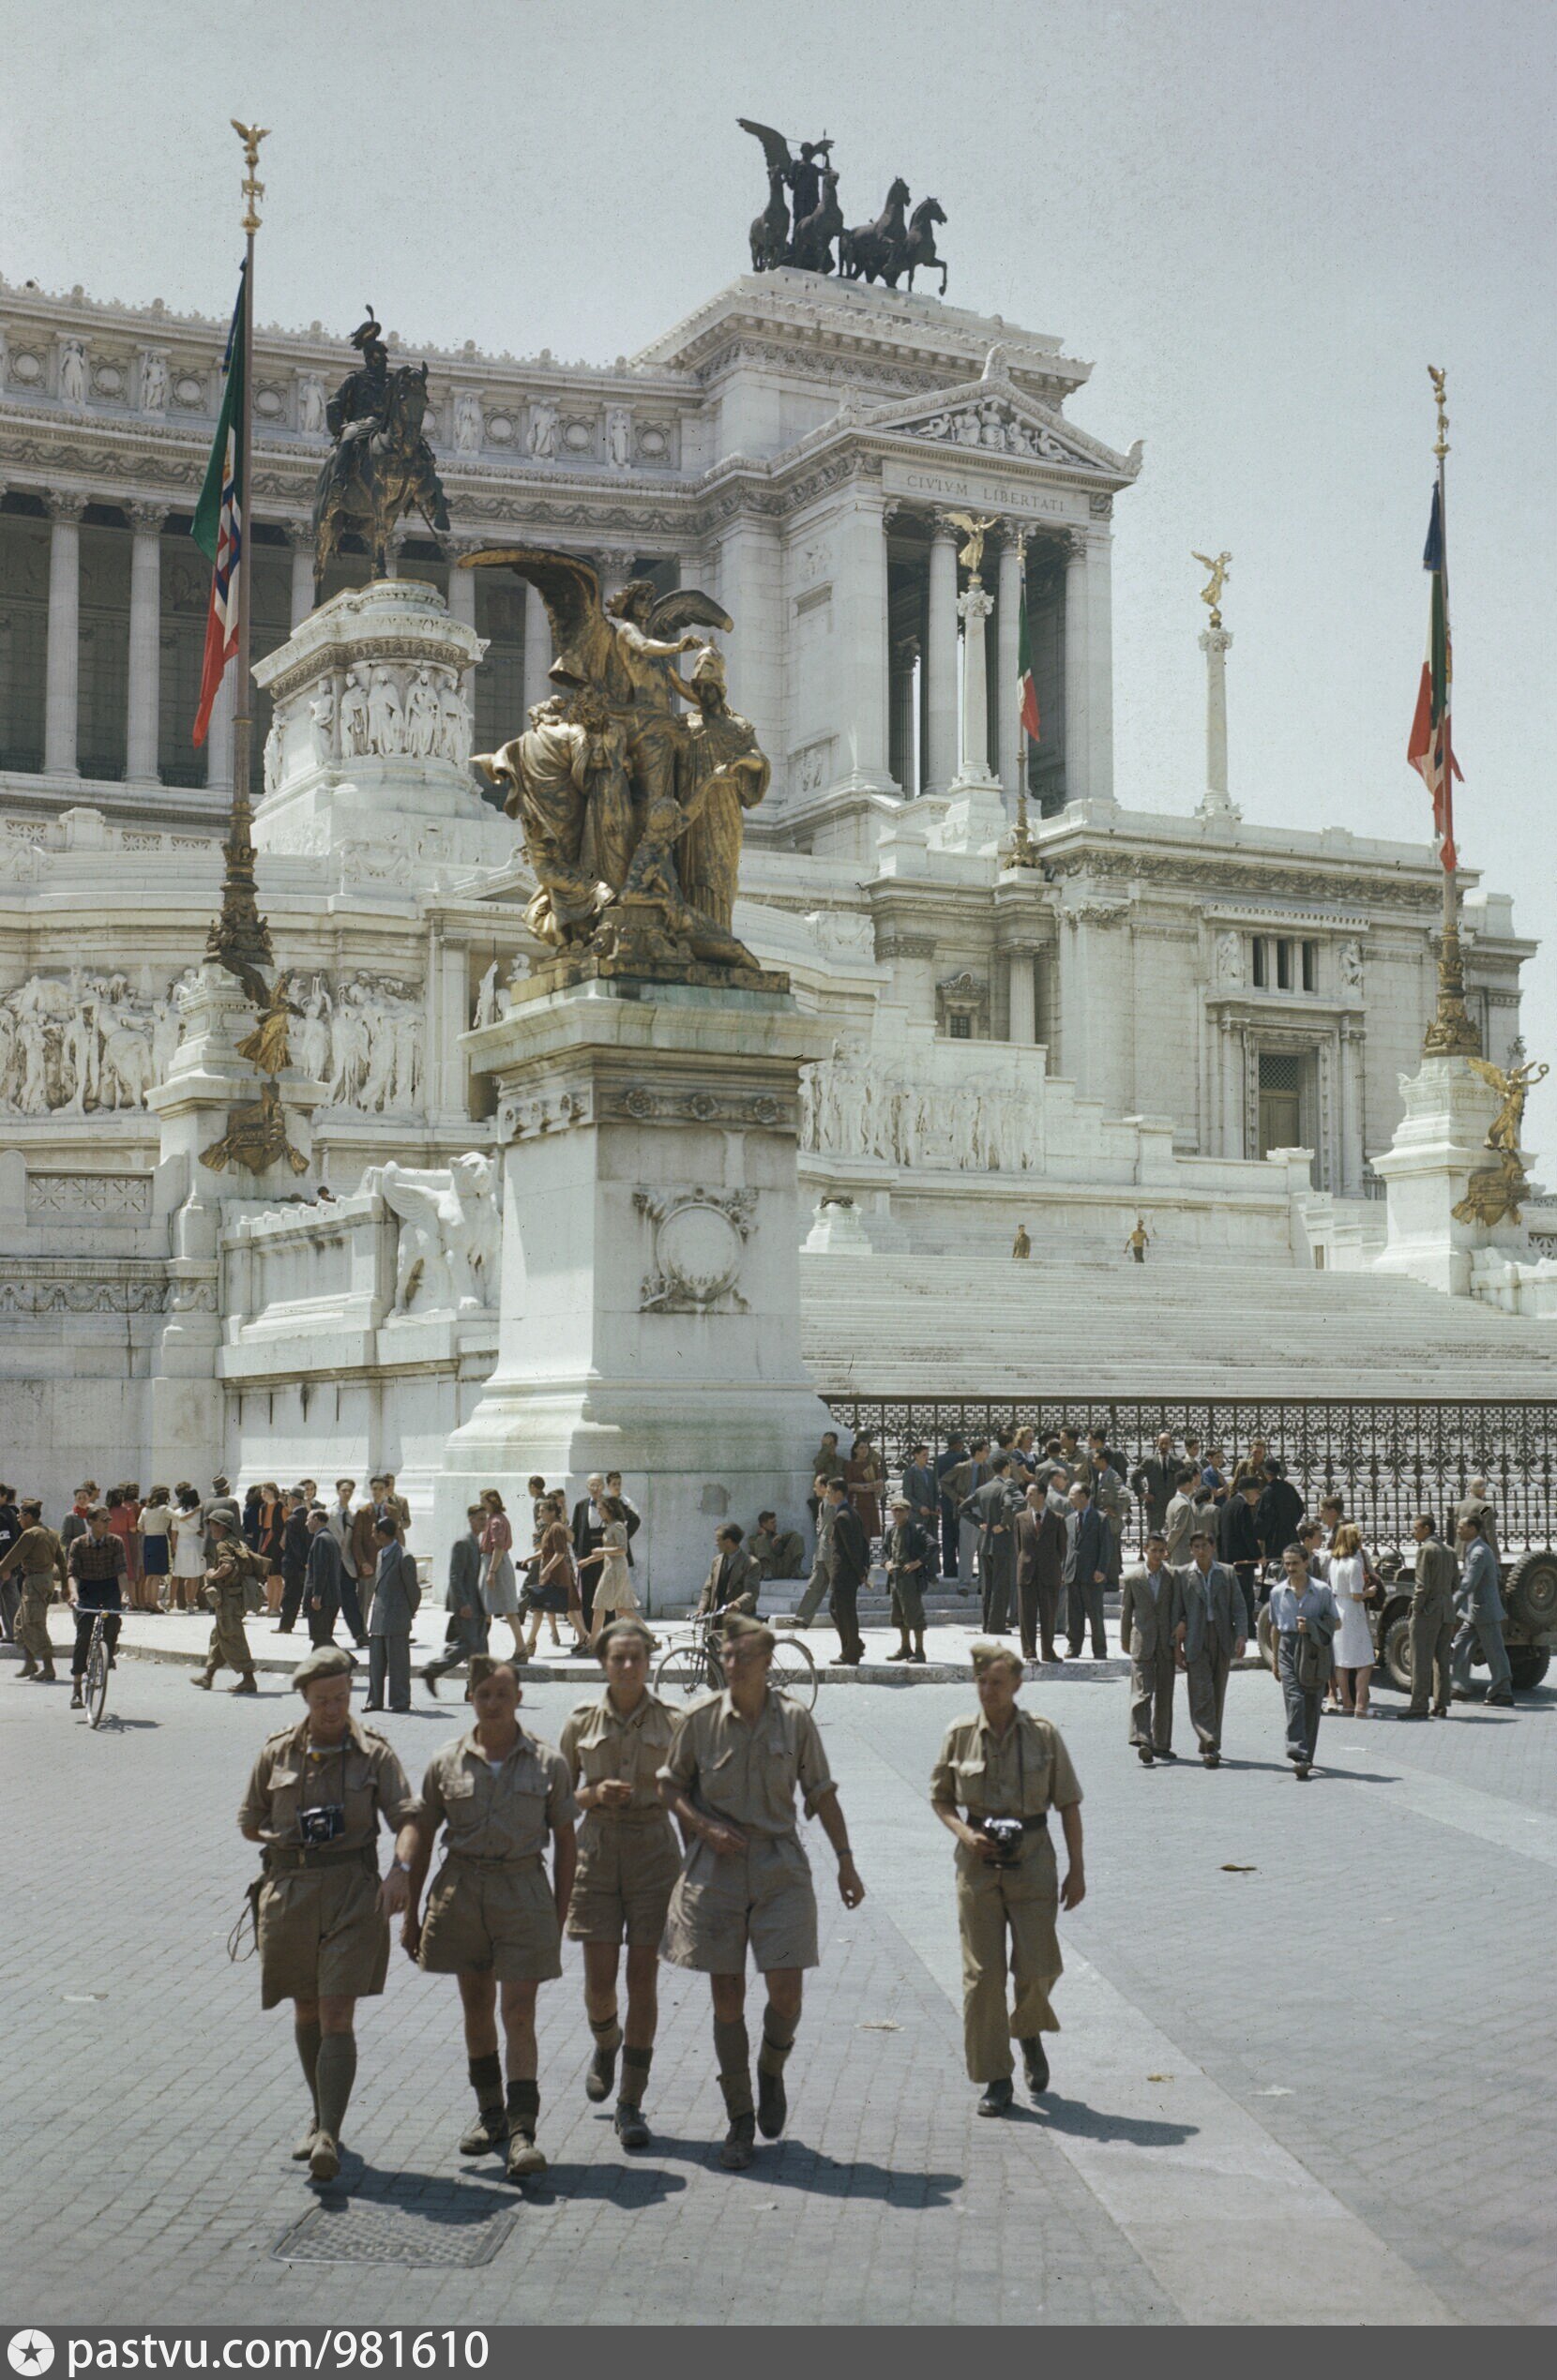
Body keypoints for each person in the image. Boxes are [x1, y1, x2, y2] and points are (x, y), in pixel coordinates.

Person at [658, 1614, 866, 2170]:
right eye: (726, 1656)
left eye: (742, 1657)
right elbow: (670, 1786)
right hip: (718, 1873)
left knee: (786, 1995)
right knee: (727, 1999)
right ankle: (740, 2119)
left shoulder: (795, 1722)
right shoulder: (700, 1719)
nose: (731, 1665)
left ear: (766, 1663)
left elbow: (821, 1794)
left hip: (779, 1867)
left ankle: (771, 2069)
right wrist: (702, 1830)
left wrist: (846, 1863)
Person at [239, 1644, 421, 2182]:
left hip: (352, 1892)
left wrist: (401, 1871)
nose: (334, 1709)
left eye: (342, 1697)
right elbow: (249, 1820)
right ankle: (319, 2115)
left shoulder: (375, 1755)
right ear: (305, 1698)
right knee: (306, 2009)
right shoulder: (276, 1753)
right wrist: (285, 1837)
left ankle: (329, 2135)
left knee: (337, 2012)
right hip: (290, 1892)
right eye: (323, 1700)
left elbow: (408, 1818)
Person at [401, 1657, 577, 2182]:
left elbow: (567, 1843)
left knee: (518, 2011)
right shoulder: (445, 1762)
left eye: (503, 1693)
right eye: (484, 1694)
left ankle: (524, 2131)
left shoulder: (548, 1763)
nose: (494, 1703)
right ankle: (491, 2115)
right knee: (476, 2006)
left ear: (519, 1698)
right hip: (462, 1891)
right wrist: (410, 1915)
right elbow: (424, 1835)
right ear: (470, 1699)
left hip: (523, 1890)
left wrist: (560, 1913)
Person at [930, 1642, 1085, 2116]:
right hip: (978, 1865)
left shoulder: (1043, 1735)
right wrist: (964, 1833)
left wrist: (1078, 1869)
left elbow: (1069, 1804)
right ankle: (997, 2078)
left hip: (1034, 1860)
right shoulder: (959, 1735)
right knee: (983, 1977)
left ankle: (1029, 2031)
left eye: (997, 1682)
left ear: (1017, 1685)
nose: (987, 1691)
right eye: (981, 1682)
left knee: (1038, 1967)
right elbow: (940, 1798)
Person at [558, 1619, 681, 2148]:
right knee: (600, 1981)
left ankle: (630, 2101)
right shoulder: (580, 1721)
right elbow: (558, 1799)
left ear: (649, 1661)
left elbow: (691, 1794)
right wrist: (592, 1797)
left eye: (637, 1657)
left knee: (643, 1980)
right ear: (604, 1664)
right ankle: (606, 2041)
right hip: (599, 1852)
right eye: (618, 1658)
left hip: (655, 1853)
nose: (628, 1666)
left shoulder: (676, 1723)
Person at [1266, 1543, 1341, 1779]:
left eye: (1295, 1563)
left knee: (1311, 1702)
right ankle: (1297, 1752)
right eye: (1286, 1564)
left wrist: (1311, 1625)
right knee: (1294, 1698)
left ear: (1306, 1563)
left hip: (1313, 1650)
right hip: (1288, 1649)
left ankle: (1307, 1756)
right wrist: (1276, 1661)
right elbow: (1275, 1628)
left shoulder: (1321, 1590)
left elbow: (1336, 1623)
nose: (1290, 1568)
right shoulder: (1277, 1592)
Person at [1174, 1529, 1246, 1766]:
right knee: (1200, 1691)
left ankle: (1210, 1743)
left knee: (1217, 1691)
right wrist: (1177, 1645)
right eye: (1196, 1547)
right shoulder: (1183, 1575)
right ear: (1191, 1550)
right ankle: (1210, 1740)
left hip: (1221, 1636)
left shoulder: (1226, 1573)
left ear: (1212, 1547)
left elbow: (1238, 1606)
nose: (1201, 1551)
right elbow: (1177, 1611)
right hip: (1196, 1638)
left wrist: (1241, 1636)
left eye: (1204, 1546)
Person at [1120, 1532, 1179, 1765]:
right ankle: (1143, 1740)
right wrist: (1125, 1640)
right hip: (1142, 1641)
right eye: (1153, 1550)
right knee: (1142, 1691)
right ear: (1145, 1549)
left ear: (1166, 1551)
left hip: (1165, 1641)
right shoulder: (1134, 1578)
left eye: (1161, 1551)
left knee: (1165, 1693)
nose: (1157, 1555)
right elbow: (1126, 1612)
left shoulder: (1173, 1577)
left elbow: (1177, 1608)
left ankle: (1161, 1744)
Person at [64, 1504, 128, 1710]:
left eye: (109, 1519)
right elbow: (72, 1573)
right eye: (104, 1520)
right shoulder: (78, 1544)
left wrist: (125, 1594)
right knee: (83, 1636)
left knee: (114, 1621)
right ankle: (76, 1690)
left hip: (109, 1587)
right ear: (91, 1522)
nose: (108, 1523)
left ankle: (107, 1653)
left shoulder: (115, 1542)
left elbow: (121, 1571)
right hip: (87, 1589)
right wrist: (73, 1594)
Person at [423, 1506, 491, 1693]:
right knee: (468, 1644)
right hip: (466, 1604)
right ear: (470, 1520)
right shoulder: (463, 1543)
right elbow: (455, 1576)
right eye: (479, 1519)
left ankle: (475, 1688)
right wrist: (463, 1603)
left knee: (481, 1648)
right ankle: (432, 1669)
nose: (483, 1522)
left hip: (475, 1603)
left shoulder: (475, 1542)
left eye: (485, 1519)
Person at [189, 1513, 259, 1694]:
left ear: (223, 1526)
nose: (211, 1528)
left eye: (213, 1524)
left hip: (228, 1599)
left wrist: (212, 1574)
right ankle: (208, 1677)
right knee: (219, 1637)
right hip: (234, 1598)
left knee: (233, 1637)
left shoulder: (222, 1545)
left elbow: (226, 1566)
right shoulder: (237, 1542)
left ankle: (249, 1679)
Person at [1452, 1512, 1513, 1708]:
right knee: (1461, 1643)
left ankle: (1502, 1692)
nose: (1458, 1530)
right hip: (1474, 1611)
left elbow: (1468, 1583)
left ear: (1472, 1529)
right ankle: (1460, 1686)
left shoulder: (1479, 1552)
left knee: (1494, 1652)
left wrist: (1451, 1604)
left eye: (1461, 1527)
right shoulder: (1477, 1549)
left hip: (1484, 1611)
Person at [1400, 1513, 1457, 1721]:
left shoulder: (1426, 1550)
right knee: (1442, 1659)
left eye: (1416, 1528)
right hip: (1446, 1609)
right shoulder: (1449, 1551)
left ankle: (1419, 1704)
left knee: (1420, 1658)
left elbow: (1421, 1585)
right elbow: (1456, 1584)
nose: (1413, 1532)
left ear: (1426, 1529)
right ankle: (1441, 1704)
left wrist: (1417, 1607)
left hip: (1428, 1611)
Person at [0, 1499, 64, 1681]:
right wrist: (65, 1585)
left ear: (28, 1516)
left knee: (35, 1623)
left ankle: (49, 1668)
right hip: (42, 1581)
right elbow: (62, 1561)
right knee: (21, 1623)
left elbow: (12, 1557)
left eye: (20, 1516)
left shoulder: (30, 1534)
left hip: (35, 1582)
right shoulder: (50, 1532)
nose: (19, 1519)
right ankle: (30, 1663)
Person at [365, 1516, 420, 1713]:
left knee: (398, 1664)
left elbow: (413, 1591)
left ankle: (400, 1700)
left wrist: (408, 1612)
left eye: (374, 1532)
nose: (372, 1535)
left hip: (397, 1617)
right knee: (376, 1664)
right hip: (379, 1617)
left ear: (382, 1534)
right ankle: (375, 1700)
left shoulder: (404, 1557)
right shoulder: (380, 1554)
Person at [961, 1453, 1020, 1634]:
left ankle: (987, 1624)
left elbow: (963, 1507)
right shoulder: (1005, 1488)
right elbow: (1011, 1505)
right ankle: (997, 1626)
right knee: (1001, 1586)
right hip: (1002, 1543)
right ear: (1006, 1468)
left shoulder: (982, 1489)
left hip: (985, 1543)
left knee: (987, 1587)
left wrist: (979, 1522)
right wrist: (1003, 1524)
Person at [521, 1504, 588, 1658]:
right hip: (553, 1572)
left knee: (547, 1606)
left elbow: (560, 1553)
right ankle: (583, 1637)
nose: (539, 1513)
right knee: (562, 1606)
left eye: (543, 1510)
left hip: (556, 1573)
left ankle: (530, 1643)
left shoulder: (556, 1527)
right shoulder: (550, 1527)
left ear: (552, 1512)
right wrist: (531, 1558)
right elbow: (547, 1551)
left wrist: (547, 1569)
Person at [1015, 1477, 1066, 1665]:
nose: (1027, 1496)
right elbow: (1018, 1547)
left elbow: (1062, 1549)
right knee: (1026, 1614)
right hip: (1027, 1573)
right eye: (1027, 1493)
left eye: (1031, 1493)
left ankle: (1048, 1651)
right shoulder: (1020, 1518)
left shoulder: (1057, 1519)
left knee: (1049, 1614)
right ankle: (1029, 1652)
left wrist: (1056, 1568)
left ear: (1042, 1496)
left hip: (1049, 1572)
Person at [1329, 1523, 1374, 1715]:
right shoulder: (1354, 1564)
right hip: (1353, 1610)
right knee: (1365, 1660)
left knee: (1342, 1660)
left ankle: (1346, 1702)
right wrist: (1369, 1593)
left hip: (1338, 1606)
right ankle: (1361, 1704)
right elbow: (1357, 1594)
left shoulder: (1333, 1562)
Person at [1063, 1482, 1110, 1660]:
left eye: (1072, 1494)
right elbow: (1067, 1548)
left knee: (1095, 1614)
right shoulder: (1068, 1520)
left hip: (1092, 1574)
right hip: (1073, 1573)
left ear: (1083, 1496)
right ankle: (1074, 1646)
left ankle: (1099, 1649)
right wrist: (1064, 1569)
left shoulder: (1100, 1518)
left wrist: (1101, 1569)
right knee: (1073, 1614)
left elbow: (1106, 1547)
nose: (1069, 1497)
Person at [881, 1493, 930, 1664]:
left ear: (908, 1512)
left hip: (910, 1578)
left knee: (914, 1614)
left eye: (901, 1511)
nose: (897, 1514)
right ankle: (905, 1648)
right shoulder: (890, 1530)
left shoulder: (916, 1529)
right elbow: (885, 1551)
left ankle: (919, 1651)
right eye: (894, 1510)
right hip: (895, 1577)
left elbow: (932, 1546)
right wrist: (886, 1563)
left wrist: (917, 1563)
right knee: (899, 1614)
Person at [824, 1478, 869, 1666]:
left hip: (845, 1574)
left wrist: (861, 1572)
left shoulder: (842, 1516)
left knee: (844, 1612)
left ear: (839, 1494)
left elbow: (852, 1548)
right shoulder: (850, 1512)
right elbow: (863, 1543)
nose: (827, 1495)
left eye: (830, 1492)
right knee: (838, 1609)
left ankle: (850, 1652)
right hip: (849, 1574)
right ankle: (854, 1645)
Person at [477, 1489, 523, 1662]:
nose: (482, 1505)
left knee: (507, 1608)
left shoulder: (496, 1521)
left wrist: (491, 1572)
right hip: (494, 1563)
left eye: (484, 1502)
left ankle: (521, 1648)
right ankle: (481, 1649)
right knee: (487, 1609)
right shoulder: (494, 1519)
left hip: (497, 1565)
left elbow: (498, 1547)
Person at [588, 1498, 639, 1644]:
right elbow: (607, 1553)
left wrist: (600, 1549)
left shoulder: (617, 1526)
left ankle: (592, 1643)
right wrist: (588, 1561)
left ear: (609, 1509)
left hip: (615, 1571)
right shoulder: (611, 1526)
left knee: (599, 1605)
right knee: (621, 1608)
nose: (598, 1512)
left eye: (601, 1509)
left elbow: (622, 1549)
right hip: (611, 1568)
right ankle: (649, 1636)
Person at [1219, 1475, 1263, 1633]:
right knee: (1246, 1596)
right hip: (1242, 1561)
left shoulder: (1228, 1505)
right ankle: (1247, 1629)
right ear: (1249, 1491)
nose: (1258, 1497)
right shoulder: (1243, 1507)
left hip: (1228, 1560)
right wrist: (1258, 1555)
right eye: (1257, 1492)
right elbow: (1248, 1534)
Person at [793, 1472, 835, 1631]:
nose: (814, 1488)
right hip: (821, 1553)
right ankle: (802, 1619)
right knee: (813, 1586)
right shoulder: (821, 1504)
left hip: (831, 1553)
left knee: (837, 1588)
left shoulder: (834, 1505)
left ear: (824, 1487)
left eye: (816, 1485)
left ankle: (844, 1619)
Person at [697, 1524, 762, 1625]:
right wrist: (702, 1608)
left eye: (718, 1540)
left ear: (728, 1541)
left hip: (739, 1621)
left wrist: (738, 1604)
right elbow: (708, 1588)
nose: (716, 1543)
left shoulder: (751, 1563)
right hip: (715, 1621)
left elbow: (752, 1593)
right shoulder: (716, 1561)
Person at [302, 1504, 345, 1649]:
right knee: (322, 1640)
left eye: (308, 1520)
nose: (306, 1524)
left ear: (316, 1519)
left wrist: (317, 1595)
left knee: (320, 1637)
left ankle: (348, 1661)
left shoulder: (321, 1539)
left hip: (324, 1599)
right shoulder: (331, 1538)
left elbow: (321, 1571)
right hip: (333, 1597)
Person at [570, 1474, 610, 1631]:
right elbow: (576, 1531)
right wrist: (577, 1553)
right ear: (587, 1487)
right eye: (592, 1485)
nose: (595, 1488)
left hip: (605, 1555)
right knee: (587, 1595)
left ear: (603, 1486)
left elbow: (630, 1520)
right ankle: (588, 1634)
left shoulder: (610, 1504)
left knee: (605, 1596)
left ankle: (608, 1632)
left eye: (598, 1485)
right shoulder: (581, 1505)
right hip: (586, 1555)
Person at [1129, 1432, 1179, 1540]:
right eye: (1161, 1443)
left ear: (1171, 1444)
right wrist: (1142, 1493)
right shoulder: (1150, 1461)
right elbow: (1134, 1477)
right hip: (1155, 1505)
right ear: (1157, 1443)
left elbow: (1185, 1479)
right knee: (1155, 1537)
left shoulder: (1176, 1462)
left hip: (1172, 1505)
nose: (1164, 1446)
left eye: (1166, 1443)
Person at [1255, 1460, 1304, 1570]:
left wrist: (1260, 1535)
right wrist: (1291, 1523)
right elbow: (1300, 1508)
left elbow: (1264, 1515)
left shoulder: (1268, 1491)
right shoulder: (1288, 1487)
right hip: (1290, 1533)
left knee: (1274, 1568)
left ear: (1267, 1474)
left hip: (1274, 1537)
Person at [168, 1484, 206, 1615]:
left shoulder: (177, 1512)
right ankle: (191, 1601)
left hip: (182, 1542)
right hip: (195, 1542)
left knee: (180, 1574)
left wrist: (174, 1548)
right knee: (194, 1576)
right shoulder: (199, 1512)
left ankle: (174, 1601)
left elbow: (174, 1533)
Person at [278, 1491, 311, 1635]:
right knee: (297, 1595)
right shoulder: (308, 1517)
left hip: (293, 1564)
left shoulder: (292, 1519)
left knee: (289, 1596)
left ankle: (285, 1625)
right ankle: (287, 1624)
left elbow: (293, 1544)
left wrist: (302, 1561)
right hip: (304, 1564)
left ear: (293, 1500)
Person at [935, 1433, 967, 1581]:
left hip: (946, 1503)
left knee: (948, 1538)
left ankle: (949, 1570)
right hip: (961, 1501)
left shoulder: (940, 1460)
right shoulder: (963, 1458)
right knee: (962, 1538)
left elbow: (938, 1482)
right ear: (957, 1443)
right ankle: (963, 1570)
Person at [845, 1436, 884, 1545]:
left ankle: (874, 1557)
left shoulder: (872, 1465)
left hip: (871, 1503)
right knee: (860, 1531)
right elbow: (850, 1485)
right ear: (855, 1450)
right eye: (861, 1448)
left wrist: (871, 1486)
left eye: (866, 1448)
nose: (864, 1450)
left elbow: (879, 1483)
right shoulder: (850, 1465)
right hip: (857, 1503)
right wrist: (867, 1487)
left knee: (874, 1531)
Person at [139, 1485, 174, 1610]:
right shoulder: (164, 1509)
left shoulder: (145, 1510)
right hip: (159, 1539)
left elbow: (139, 1526)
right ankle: (154, 1604)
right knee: (157, 1574)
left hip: (148, 1539)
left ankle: (148, 1601)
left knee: (150, 1574)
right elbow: (178, 1518)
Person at [1455, 1478, 1501, 1569]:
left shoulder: (1460, 1505)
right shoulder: (1485, 1507)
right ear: (1483, 1490)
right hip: (1479, 1546)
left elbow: (1456, 1526)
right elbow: (1489, 1530)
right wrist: (1496, 1553)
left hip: (1463, 1546)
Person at [749, 1511, 807, 1584]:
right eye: (772, 1523)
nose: (775, 1525)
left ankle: (796, 1570)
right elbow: (755, 1550)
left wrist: (782, 1537)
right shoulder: (754, 1539)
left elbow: (794, 1534)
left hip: (784, 1568)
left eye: (775, 1522)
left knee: (798, 1537)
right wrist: (764, 1536)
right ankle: (766, 1570)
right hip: (769, 1572)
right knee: (761, 1539)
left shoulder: (777, 1537)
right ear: (764, 1524)